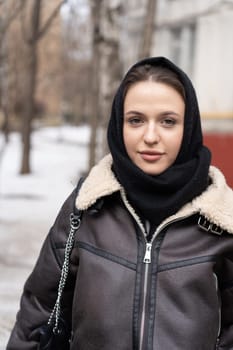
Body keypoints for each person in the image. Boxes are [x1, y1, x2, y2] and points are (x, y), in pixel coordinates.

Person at [7, 56, 233, 350]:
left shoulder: (222, 219)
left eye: (168, 121)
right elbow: (38, 313)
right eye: (136, 120)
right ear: (118, 123)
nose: (150, 136)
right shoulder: (86, 208)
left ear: (188, 126)